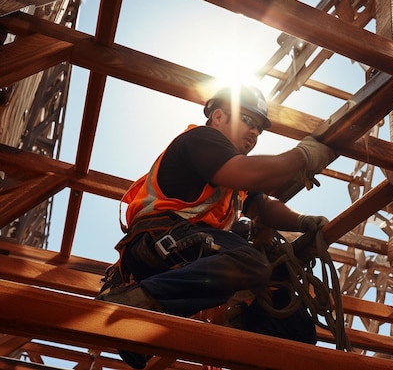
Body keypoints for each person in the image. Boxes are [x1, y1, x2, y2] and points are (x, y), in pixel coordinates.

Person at [96, 84, 335, 369]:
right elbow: (250, 176)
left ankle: (257, 341)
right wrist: (302, 156)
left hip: (185, 253)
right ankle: (137, 303)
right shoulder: (201, 140)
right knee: (250, 262)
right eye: (248, 120)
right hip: (158, 244)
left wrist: (301, 221)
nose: (255, 132)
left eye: (259, 128)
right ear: (219, 117)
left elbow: (261, 205)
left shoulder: (233, 183)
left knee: (294, 325)